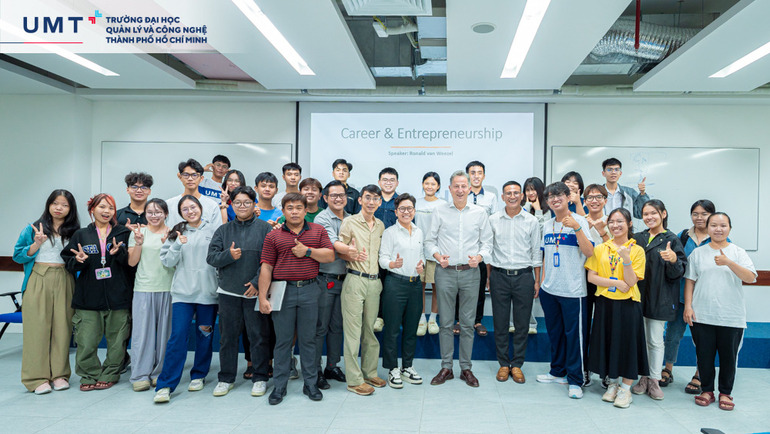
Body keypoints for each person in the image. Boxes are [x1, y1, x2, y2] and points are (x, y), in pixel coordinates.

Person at [258, 193, 335, 405]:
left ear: (305, 210)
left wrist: (308, 251)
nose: (294, 211)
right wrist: (263, 297)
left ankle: (310, 384)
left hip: (310, 290)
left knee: (308, 340)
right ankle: (279, 386)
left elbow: (330, 256)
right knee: (283, 341)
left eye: (299, 208)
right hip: (283, 291)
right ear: (283, 211)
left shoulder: (317, 230)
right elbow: (266, 267)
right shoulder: (273, 236)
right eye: (290, 208)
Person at [425, 170, 492, 388]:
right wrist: (437, 256)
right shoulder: (439, 211)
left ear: (469, 188)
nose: (460, 190)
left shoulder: (479, 213)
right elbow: (429, 241)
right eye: (456, 186)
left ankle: (466, 368)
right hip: (445, 272)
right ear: (450, 189)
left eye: (464, 186)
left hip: (471, 273)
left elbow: (487, 243)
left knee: (467, 323)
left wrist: (479, 257)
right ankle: (446, 367)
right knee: (445, 322)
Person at [684, 212, 756, 411]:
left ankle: (725, 392)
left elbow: (750, 277)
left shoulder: (738, 252)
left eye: (723, 225)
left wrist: (729, 263)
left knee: (728, 358)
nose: (718, 229)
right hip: (702, 314)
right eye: (714, 225)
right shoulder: (698, 253)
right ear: (707, 228)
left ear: (729, 228)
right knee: (704, 356)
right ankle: (707, 390)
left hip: (731, 316)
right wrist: (688, 306)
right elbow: (690, 281)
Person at [61, 194, 132, 392]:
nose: (106, 211)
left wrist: (120, 254)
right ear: (92, 209)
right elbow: (68, 261)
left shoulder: (123, 233)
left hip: (118, 295)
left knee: (117, 341)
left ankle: (110, 373)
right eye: (102, 207)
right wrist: (79, 260)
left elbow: (132, 263)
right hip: (88, 297)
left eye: (110, 208)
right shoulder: (81, 234)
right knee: (86, 340)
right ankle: (89, 374)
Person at [206, 186, 273, 398]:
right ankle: (226, 378)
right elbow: (211, 258)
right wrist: (229, 255)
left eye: (247, 202)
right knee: (227, 338)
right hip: (228, 293)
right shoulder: (223, 230)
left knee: (258, 336)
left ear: (254, 204)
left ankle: (260, 377)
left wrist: (257, 283)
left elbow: (270, 260)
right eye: (237, 203)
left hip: (255, 293)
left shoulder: (265, 229)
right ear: (232, 205)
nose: (242, 206)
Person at [153, 195, 219, 403]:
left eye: (193, 207)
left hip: (208, 294)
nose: (190, 211)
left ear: (200, 208)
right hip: (182, 294)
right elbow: (167, 261)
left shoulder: (214, 231)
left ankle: (198, 375)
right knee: (177, 337)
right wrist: (177, 245)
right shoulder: (177, 232)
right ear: (180, 213)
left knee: (205, 335)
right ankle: (165, 385)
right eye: (185, 209)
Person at [13, 190, 80, 394]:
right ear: (49, 205)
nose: (59, 208)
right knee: (37, 330)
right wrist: (36, 244)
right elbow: (18, 256)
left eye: (64, 205)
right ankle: (36, 378)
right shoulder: (34, 228)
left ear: (70, 209)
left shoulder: (75, 231)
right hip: (38, 277)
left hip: (65, 278)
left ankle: (59, 375)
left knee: (62, 329)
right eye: (55, 203)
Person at [585, 208, 647, 408]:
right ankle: (612, 384)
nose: (615, 225)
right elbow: (591, 277)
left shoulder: (637, 250)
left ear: (629, 224)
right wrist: (615, 283)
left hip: (629, 304)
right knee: (609, 343)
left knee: (628, 345)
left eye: (620, 221)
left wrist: (626, 260)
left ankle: (626, 389)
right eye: (611, 221)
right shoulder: (601, 248)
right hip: (605, 303)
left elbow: (631, 282)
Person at [535, 182, 593, 399]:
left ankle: (576, 380)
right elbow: (544, 255)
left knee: (574, 337)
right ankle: (557, 372)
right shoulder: (547, 225)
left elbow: (589, 252)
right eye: (550, 196)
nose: (554, 199)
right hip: (550, 289)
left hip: (573, 290)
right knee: (555, 334)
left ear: (569, 197)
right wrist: (542, 282)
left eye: (559, 195)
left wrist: (576, 228)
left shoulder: (580, 221)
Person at [631, 200, 687, 400]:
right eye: (646, 214)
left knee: (655, 340)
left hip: (659, 298)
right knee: (640, 340)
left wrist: (673, 260)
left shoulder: (671, 239)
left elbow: (678, 273)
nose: (649, 217)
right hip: (637, 297)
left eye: (653, 213)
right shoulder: (638, 238)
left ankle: (654, 380)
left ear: (663, 214)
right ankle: (643, 377)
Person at [488, 181, 541, 384]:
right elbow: (489, 250)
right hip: (499, 275)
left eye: (516, 193)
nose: (512, 196)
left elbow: (536, 252)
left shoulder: (531, 221)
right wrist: (489, 277)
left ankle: (517, 364)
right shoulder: (493, 219)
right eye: (508, 193)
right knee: (500, 322)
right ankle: (503, 363)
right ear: (502, 197)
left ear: (522, 196)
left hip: (524, 276)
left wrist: (536, 280)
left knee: (522, 323)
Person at [662, 199, 717, 394]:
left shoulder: (717, 236)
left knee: (703, 339)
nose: (699, 217)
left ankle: (699, 373)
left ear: (711, 215)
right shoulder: (683, 236)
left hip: (704, 298)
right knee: (672, 335)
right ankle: (668, 369)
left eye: (704, 214)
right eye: (695, 214)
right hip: (679, 295)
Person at [336, 185, 386, 396]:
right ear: (360, 200)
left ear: (380, 202)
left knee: (370, 331)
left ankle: (369, 372)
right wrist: (351, 254)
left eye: (375, 198)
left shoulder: (381, 225)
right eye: (368, 198)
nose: (371, 202)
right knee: (353, 333)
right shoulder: (350, 222)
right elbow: (338, 250)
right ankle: (354, 380)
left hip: (374, 282)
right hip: (355, 280)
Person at [127, 198, 174, 392]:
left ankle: (159, 373)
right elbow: (132, 262)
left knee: (165, 335)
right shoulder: (139, 233)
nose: (154, 216)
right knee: (142, 334)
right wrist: (138, 243)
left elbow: (176, 261)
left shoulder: (172, 233)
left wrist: (168, 244)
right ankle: (140, 374)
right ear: (145, 214)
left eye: (158, 212)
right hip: (144, 288)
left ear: (166, 214)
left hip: (168, 288)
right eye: (150, 212)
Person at [379, 193, 426, 389]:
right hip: (395, 284)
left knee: (411, 329)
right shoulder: (390, 232)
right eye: (402, 209)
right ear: (396, 211)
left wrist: (421, 265)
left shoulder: (419, 232)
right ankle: (392, 369)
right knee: (391, 330)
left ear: (414, 211)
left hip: (415, 285)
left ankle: (407, 366)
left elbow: (421, 254)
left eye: (410, 208)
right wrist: (392, 264)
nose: (406, 212)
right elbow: (382, 258)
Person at [313, 181, 349, 389]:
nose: (338, 199)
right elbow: (334, 245)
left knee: (337, 327)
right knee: (321, 327)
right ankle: (316, 370)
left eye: (341, 195)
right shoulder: (322, 218)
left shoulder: (351, 218)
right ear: (325, 198)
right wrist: (353, 251)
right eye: (333, 195)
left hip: (345, 280)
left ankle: (332, 366)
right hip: (325, 279)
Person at [464, 161, 497, 338]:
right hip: (463, 249)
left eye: (479, 172)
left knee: (479, 287)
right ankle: (460, 319)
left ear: (484, 175)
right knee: (460, 288)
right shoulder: (462, 194)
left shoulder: (491, 197)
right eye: (472, 172)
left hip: (482, 251)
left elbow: (494, 223)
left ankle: (477, 320)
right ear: (468, 175)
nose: (476, 176)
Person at [582, 183, 610, 386]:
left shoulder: (613, 221)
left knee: (603, 325)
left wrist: (602, 231)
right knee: (583, 325)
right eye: (590, 197)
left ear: (605, 200)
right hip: (582, 277)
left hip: (606, 279)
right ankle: (584, 369)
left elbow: (617, 248)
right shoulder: (579, 222)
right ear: (584, 201)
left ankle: (605, 371)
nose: (594, 201)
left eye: (598, 197)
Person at [415, 172, 446, 336]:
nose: (429, 186)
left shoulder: (444, 205)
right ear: (422, 184)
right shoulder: (416, 203)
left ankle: (433, 319)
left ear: (438, 186)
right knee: (419, 286)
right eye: (427, 183)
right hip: (418, 251)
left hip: (436, 251)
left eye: (433, 184)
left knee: (436, 286)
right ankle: (421, 319)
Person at [373, 167, 400, 332]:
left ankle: (389, 317)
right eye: (385, 180)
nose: (388, 183)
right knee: (376, 285)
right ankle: (377, 316)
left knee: (391, 287)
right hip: (373, 251)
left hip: (393, 252)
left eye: (392, 180)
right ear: (379, 182)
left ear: (397, 183)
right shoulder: (372, 200)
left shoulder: (401, 202)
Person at [167, 159, 223, 230]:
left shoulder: (212, 206)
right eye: (186, 175)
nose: (190, 179)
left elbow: (217, 233)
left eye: (194, 175)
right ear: (180, 177)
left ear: (201, 178)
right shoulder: (169, 204)